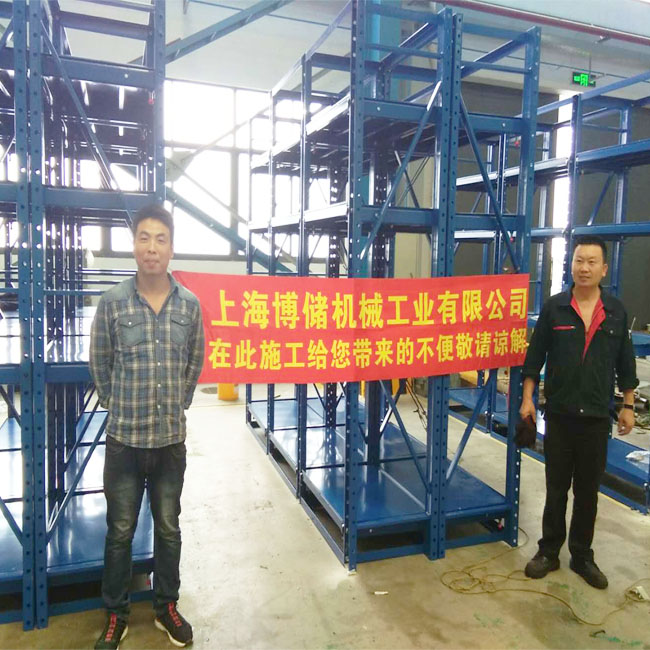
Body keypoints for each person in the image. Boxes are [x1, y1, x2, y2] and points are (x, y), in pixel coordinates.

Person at [90, 204, 204, 648]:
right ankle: (115, 613)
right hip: (125, 441)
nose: (152, 247)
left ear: (171, 248)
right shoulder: (113, 303)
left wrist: (179, 403)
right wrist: (116, 405)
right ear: (134, 245)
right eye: (144, 238)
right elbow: (100, 362)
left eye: (160, 239)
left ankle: (166, 606)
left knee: (168, 528)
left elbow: (194, 362)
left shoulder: (189, 305)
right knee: (120, 531)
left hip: (170, 443)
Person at [520, 234, 637, 590]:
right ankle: (549, 552)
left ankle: (582, 556)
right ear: (570, 265)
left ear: (604, 269)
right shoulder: (555, 308)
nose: (584, 268)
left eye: (591, 262)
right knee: (556, 489)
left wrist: (628, 405)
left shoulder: (615, 312)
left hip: (596, 419)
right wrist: (527, 399)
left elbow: (626, 363)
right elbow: (534, 358)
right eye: (578, 261)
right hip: (560, 415)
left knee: (588, 492)